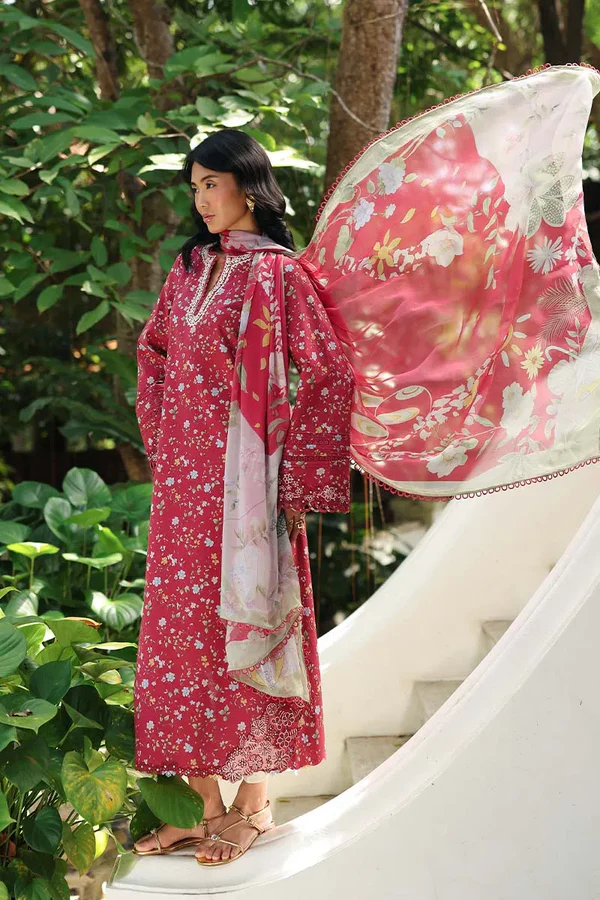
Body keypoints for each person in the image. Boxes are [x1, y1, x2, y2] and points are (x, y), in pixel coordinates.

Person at [133, 129, 354, 865]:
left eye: (211, 184)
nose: (200, 200)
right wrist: (169, 442)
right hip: (183, 491)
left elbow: (328, 369)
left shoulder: (280, 275)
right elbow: (154, 351)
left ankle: (254, 803)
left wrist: (293, 478)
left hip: (248, 492)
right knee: (181, 641)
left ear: (249, 187)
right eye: (193, 186)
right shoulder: (191, 268)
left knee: (253, 625)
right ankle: (203, 809)